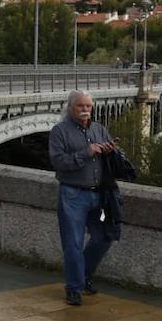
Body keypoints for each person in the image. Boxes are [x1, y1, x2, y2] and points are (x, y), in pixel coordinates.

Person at [47, 90, 116, 307]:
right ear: (70, 107)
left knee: (105, 236)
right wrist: (86, 153)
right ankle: (74, 288)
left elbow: (108, 162)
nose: (85, 110)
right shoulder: (59, 132)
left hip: (99, 194)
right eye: (80, 106)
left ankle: (83, 274)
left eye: (88, 106)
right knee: (73, 244)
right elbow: (58, 162)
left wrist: (110, 151)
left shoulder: (99, 129)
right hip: (73, 194)